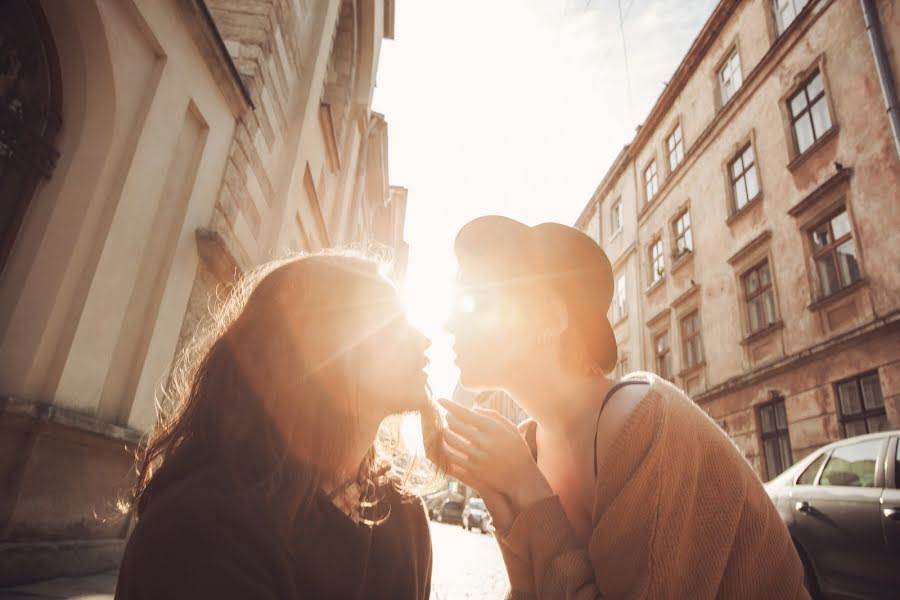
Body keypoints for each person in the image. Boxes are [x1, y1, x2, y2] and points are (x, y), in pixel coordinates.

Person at [436, 216, 808, 599]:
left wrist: (525, 488)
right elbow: (530, 591)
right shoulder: (528, 445)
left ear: (551, 317)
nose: (448, 322)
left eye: (474, 301)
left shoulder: (642, 420)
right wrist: (500, 496)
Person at [116, 252, 438, 600]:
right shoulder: (203, 526)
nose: (424, 341)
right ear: (318, 351)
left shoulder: (404, 517)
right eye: (393, 326)